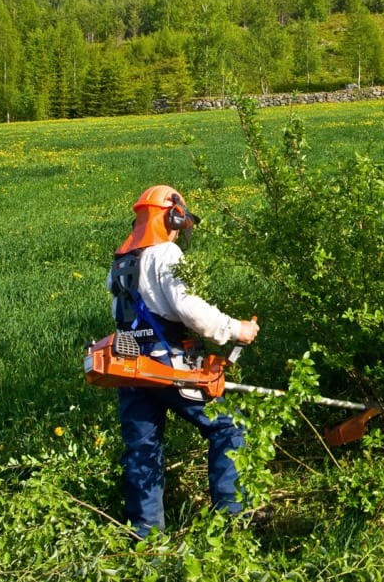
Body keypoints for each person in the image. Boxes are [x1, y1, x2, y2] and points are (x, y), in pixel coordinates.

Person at [107, 184, 259, 538]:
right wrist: (236, 329)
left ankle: (146, 540)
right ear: (171, 215)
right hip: (167, 365)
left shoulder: (121, 262)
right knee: (229, 428)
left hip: (129, 367)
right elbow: (188, 308)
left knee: (143, 450)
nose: (179, 230)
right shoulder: (165, 254)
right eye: (178, 222)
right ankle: (233, 522)